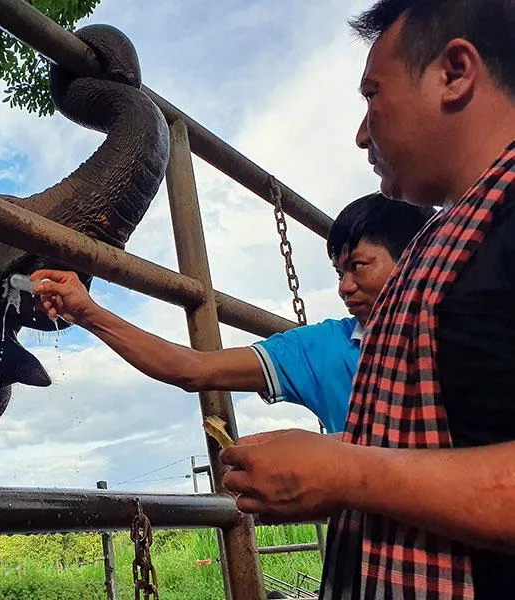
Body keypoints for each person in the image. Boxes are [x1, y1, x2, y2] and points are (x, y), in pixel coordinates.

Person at [217, 1, 515, 598]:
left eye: (372, 95)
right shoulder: (447, 242)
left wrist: (346, 472)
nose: (361, 132)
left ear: (454, 74)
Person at [30, 192, 432, 433]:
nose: (343, 287)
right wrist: (88, 314)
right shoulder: (323, 349)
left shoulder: (470, 330)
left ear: (417, 259)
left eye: (358, 267)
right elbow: (192, 369)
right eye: (338, 272)